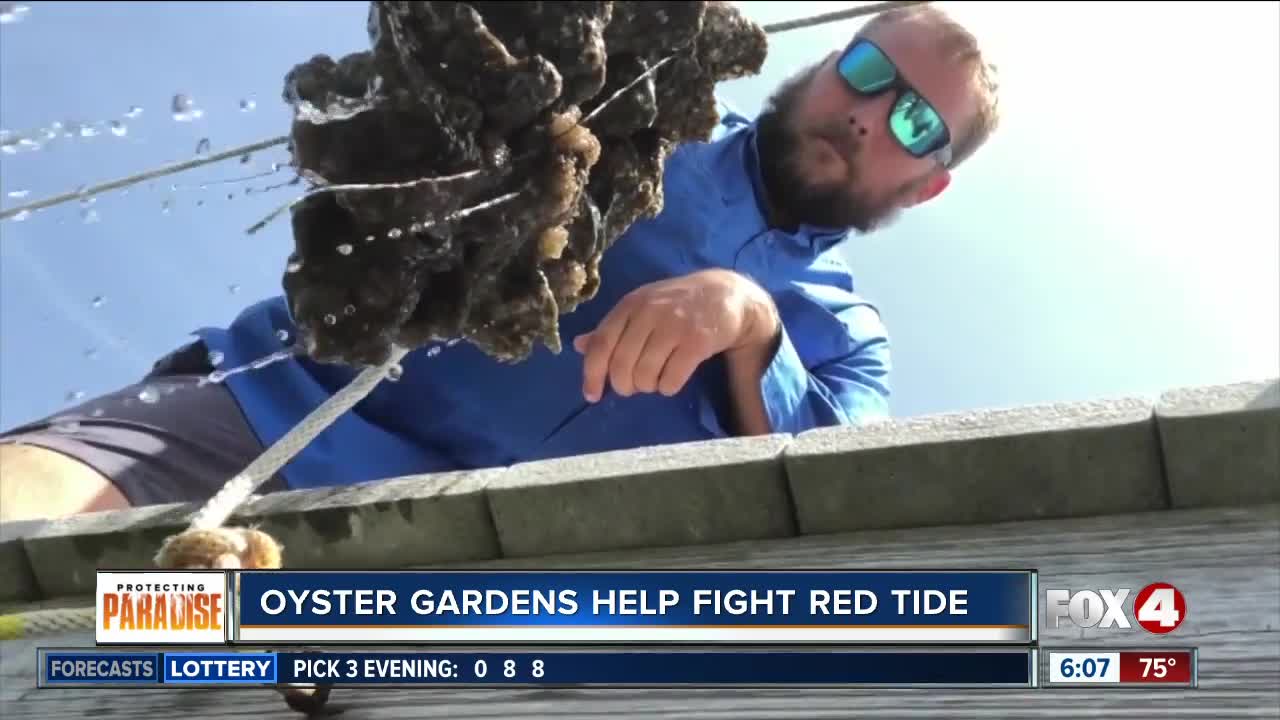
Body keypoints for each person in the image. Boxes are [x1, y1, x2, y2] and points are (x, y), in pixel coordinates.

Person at [0, 5, 1000, 522]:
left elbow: (831, 480)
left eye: (915, 120)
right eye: (868, 70)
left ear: (927, 185)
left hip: (462, 587)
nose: (869, 113)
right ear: (827, 60)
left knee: (138, 644)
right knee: (39, 536)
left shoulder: (845, 339)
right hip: (269, 413)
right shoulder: (633, 102)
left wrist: (750, 321)